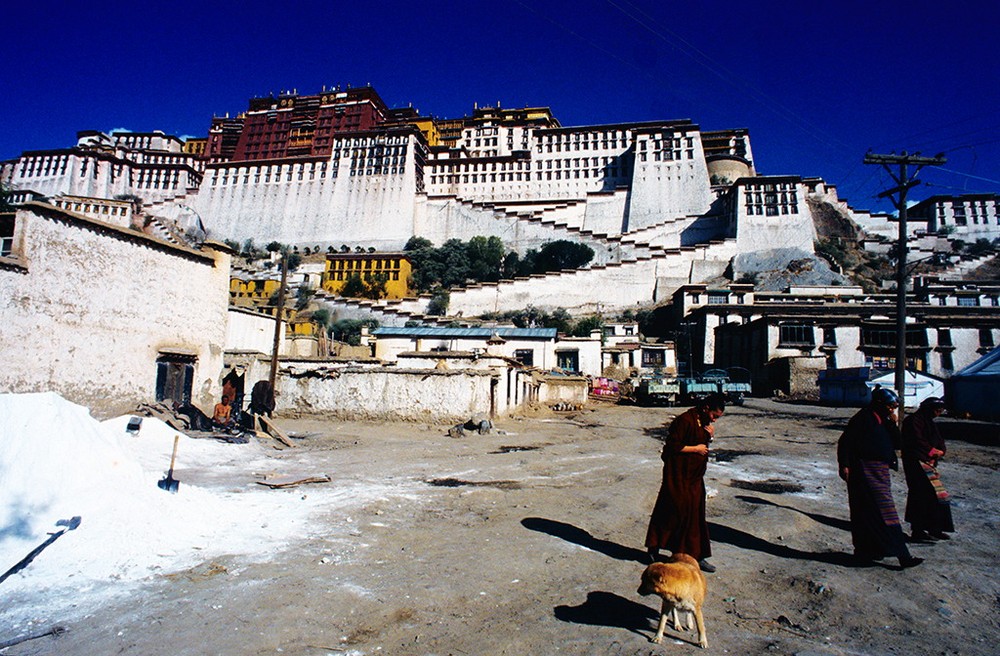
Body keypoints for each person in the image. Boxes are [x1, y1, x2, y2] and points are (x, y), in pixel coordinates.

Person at [837, 387, 923, 568]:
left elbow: (898, 444)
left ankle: (871, 551)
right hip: (864, 469)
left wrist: (893, 423)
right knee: (877, 511)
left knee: (874, 511)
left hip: (879, 471)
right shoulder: (863, 419)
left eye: (894, 407)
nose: (892, 409)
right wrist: (844, 464)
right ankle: (900, 556)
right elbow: (845, 442)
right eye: (890, 406)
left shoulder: (883, 420)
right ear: (879, 403)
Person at [645, 393, 725, 573]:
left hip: (694, 478)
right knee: (672, 511)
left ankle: (696, 556)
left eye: (717, 418)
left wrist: (710, 437)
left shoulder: (704, 423)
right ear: (706, 408)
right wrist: (695, 448)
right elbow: (671, 446)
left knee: (696, 516)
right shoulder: (685, 420)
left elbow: (703, 445)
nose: (714, 420)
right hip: (678, 476)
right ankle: (653, 549)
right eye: (714, 416)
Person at [902, 396, 954, 542]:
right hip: (916, 463)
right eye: (937, 410)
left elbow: (939, 441)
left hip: (929, 464)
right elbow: (916, 441)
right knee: (919, 496)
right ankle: (917, 530)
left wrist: (940, 451)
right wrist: (930, 451)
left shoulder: (930, 423)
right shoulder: (913, 421)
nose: (938, 413)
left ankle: (935, 528)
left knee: (936, 495)